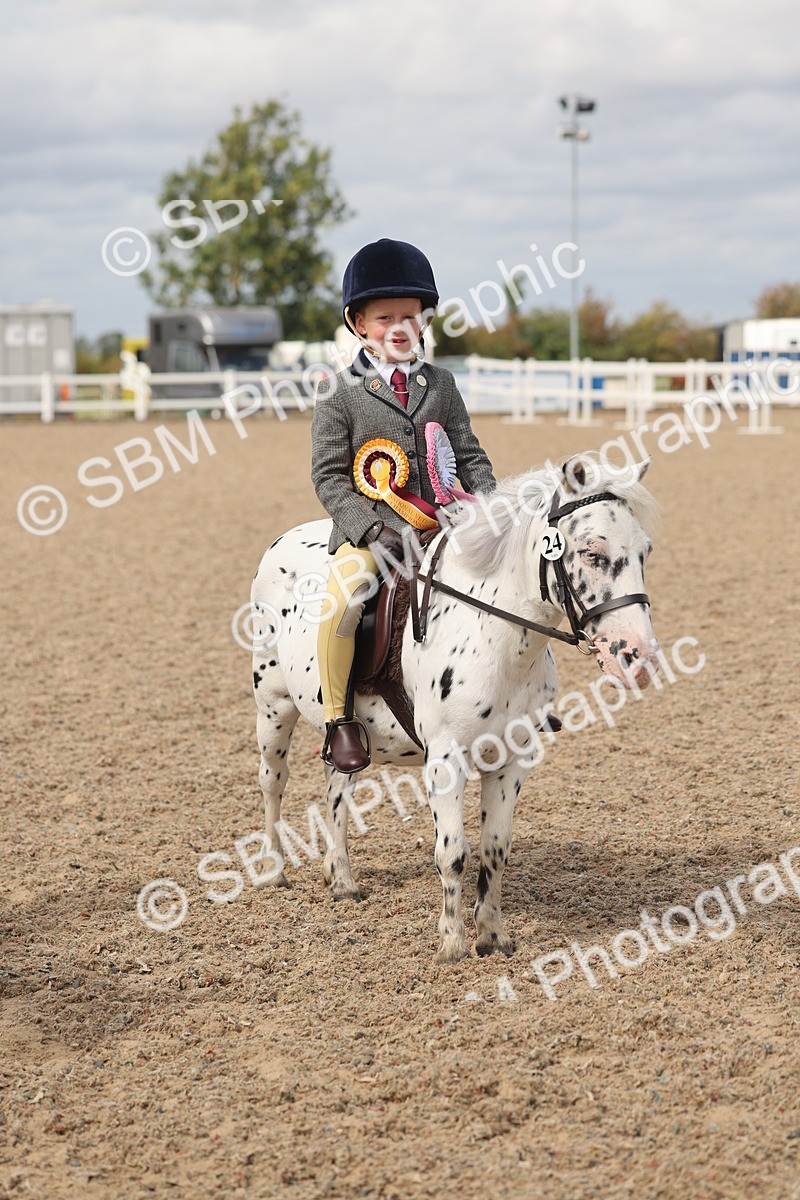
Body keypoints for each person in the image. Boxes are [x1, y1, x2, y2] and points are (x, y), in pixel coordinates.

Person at [312, 238, 496, 773]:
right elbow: (328, 478)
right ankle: (338, 718)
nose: (398, 326)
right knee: (342, 601)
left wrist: (488, 505)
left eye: (409, 316)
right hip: (375, 532)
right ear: (359, 323)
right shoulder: (338, 392)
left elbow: (468, 453)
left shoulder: (441, 383)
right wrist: (370, 531)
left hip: (442, 525)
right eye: (385, 316)